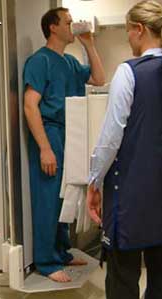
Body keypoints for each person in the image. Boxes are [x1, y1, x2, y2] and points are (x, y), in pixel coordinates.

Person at [86, 1, 162, 299]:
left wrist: (94, 181)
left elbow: (110, 138)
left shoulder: (129, 72)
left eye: (128, 31)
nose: (127, 39)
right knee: (161, 275)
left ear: (139, 30)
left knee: (123, 276)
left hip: (129, 195)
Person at [23, 7, 105, 282]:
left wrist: (89, 44)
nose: (74, 25)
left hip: (72, 134)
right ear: (53, 27)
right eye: (69, 22)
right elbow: (30, 106)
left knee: (66, 195)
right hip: (51, 133)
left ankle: (61, 252)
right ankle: (46, 261)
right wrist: (45, 148)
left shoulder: (69, 62)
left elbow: (99, 78)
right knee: (48, 198)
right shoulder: (40, 61)